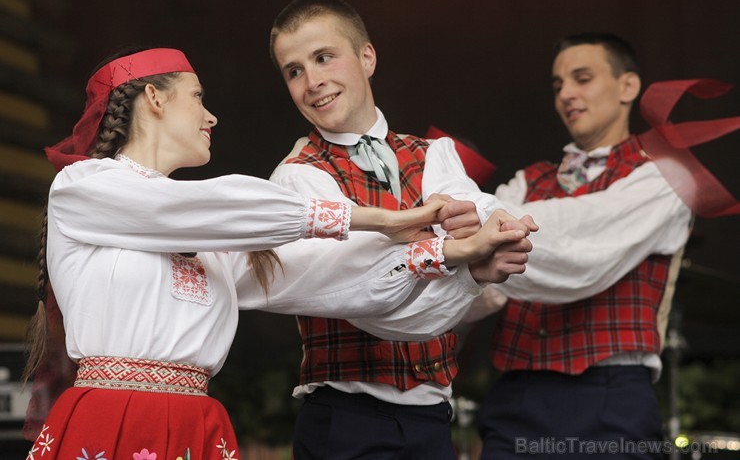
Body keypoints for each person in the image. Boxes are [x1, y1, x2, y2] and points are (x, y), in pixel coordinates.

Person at [22, 47, 530, 460]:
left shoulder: (217, 232)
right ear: (154, 97)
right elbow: (213, 205)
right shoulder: (83, 188)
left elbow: (327, 278)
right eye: (198, 98)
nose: (211, 114)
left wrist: (455, 256)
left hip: (197, 422)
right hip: (113, 419)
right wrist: (388, 218)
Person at [267, 0, 536, 460]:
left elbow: (480, 210)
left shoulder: (435, 154)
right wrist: (466, 256)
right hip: (346, 417)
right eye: (294, 71)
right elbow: (359, 286)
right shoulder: (298, 176)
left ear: (366, 57)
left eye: (324, 57)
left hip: (432, 417)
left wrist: (497, 234)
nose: (312, 82)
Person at [468, 33, 694, 459]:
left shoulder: (666, 174)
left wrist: (472, 222)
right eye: (558, 86)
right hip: (517, 395)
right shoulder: (526, 181)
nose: (566, 94)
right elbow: (478, 285)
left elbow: (581, 252)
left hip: (608, 398)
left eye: (582, 78)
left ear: (628, 86)